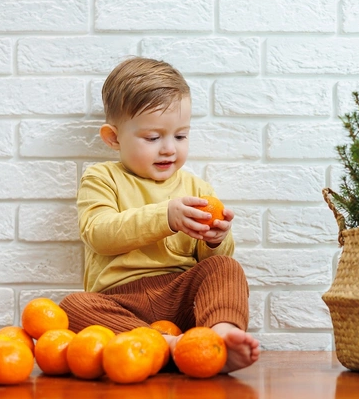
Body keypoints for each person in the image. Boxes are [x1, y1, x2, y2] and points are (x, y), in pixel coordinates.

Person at [59, 56, 260, 373]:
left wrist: (215, 240)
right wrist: (164, 216)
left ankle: (217, 340)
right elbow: (98, 233)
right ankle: (167, 346)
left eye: (180, 136)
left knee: (225, 267)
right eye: (153, 138)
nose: (169, 149)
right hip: (120, 302)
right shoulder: (101, 178)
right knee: (72, 307)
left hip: (181, 299)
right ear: (113, 138)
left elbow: (209, 265)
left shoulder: (195, 187)